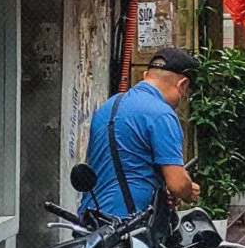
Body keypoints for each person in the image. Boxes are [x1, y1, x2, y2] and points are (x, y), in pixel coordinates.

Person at [85, 48, 202, 224]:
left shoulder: (108, 106)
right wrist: (187, 191)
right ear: (182, 84)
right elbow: (177, 184)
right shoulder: (162, 114)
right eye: (186, 92)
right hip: (131, 226)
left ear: (146, 75)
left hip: (92, 219)